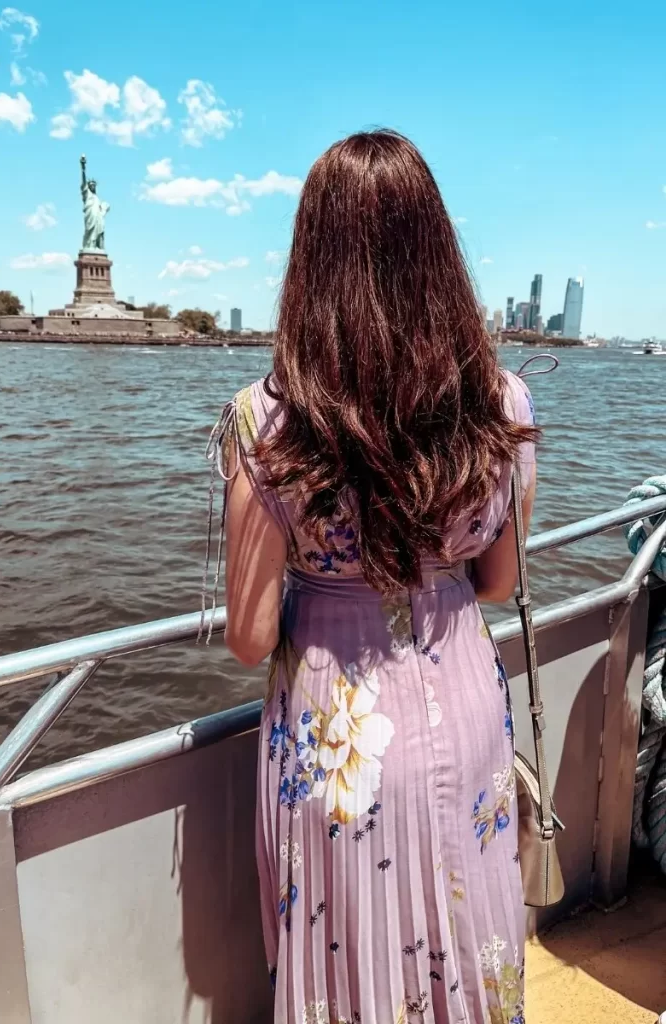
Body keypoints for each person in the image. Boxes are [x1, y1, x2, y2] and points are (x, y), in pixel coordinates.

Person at [212, 129, 537, 1024]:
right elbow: (499, 581)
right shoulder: (501, 404)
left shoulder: (268, 422)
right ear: (437, 250)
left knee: (349, 950)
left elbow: (246, 639)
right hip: (467, 701)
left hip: (340, 731)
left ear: (309, 259)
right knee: (473, 938)